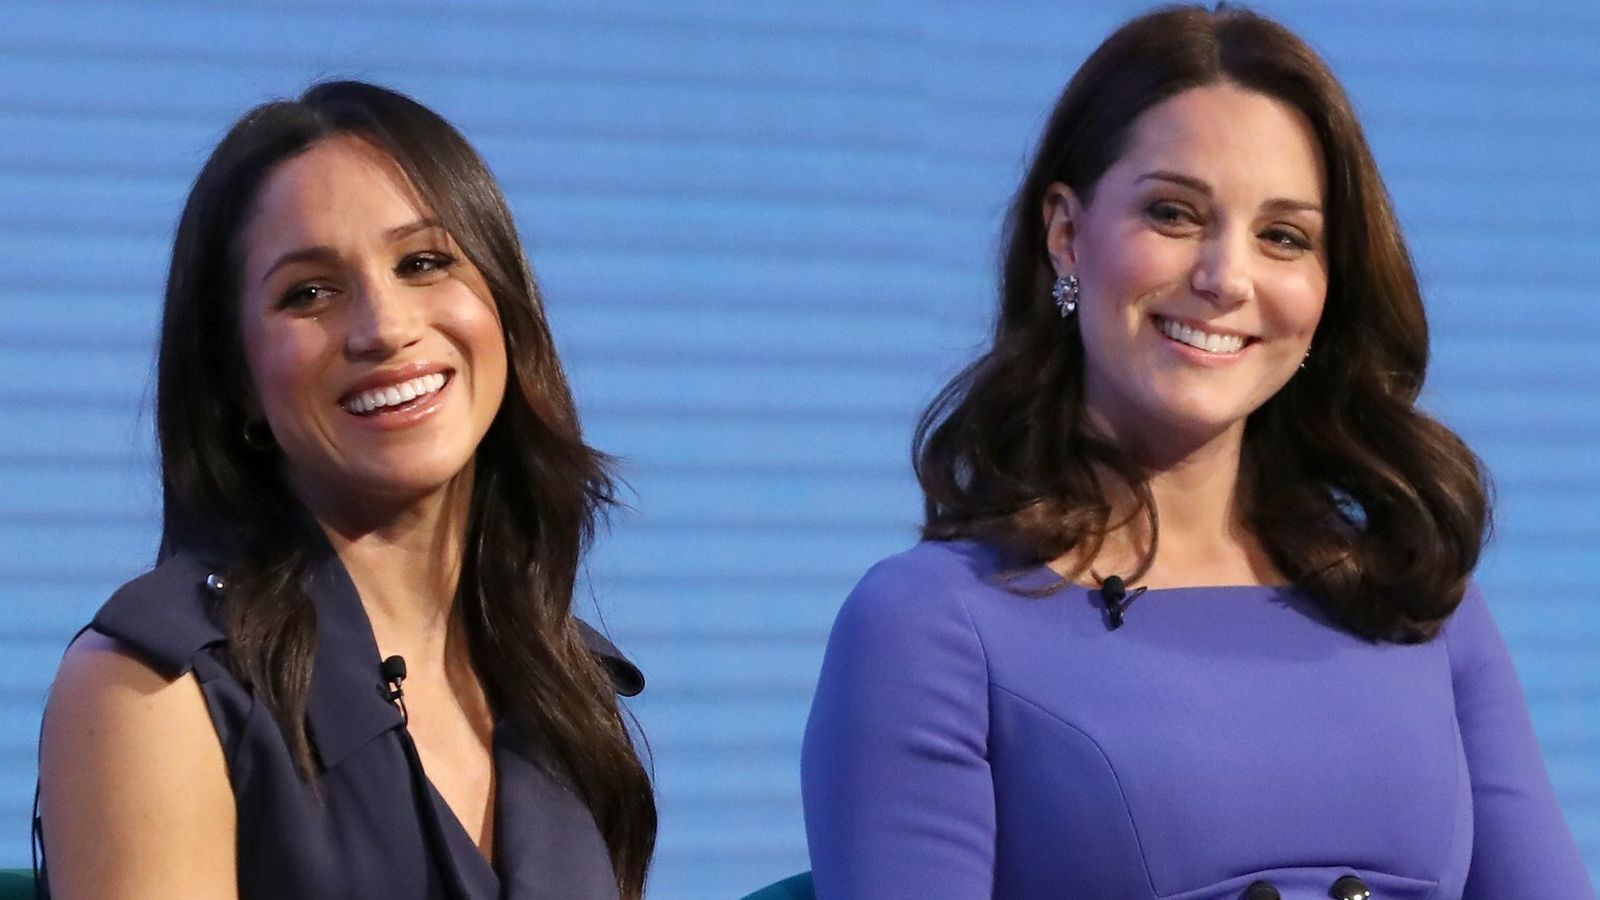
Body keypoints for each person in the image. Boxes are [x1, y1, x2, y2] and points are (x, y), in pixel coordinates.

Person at [801, 6, 1594, 899]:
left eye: (1283, 236)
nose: (1226, 278)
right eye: (1174, 214)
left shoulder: (1414, 597)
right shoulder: (930, 624)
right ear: (1066, 234)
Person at [37, 81, 655, 899]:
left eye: (424, 262)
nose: (385, 328)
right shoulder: (156, 686)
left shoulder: (568, 687)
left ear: (504, 306)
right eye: (310, 293)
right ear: (238, 382)